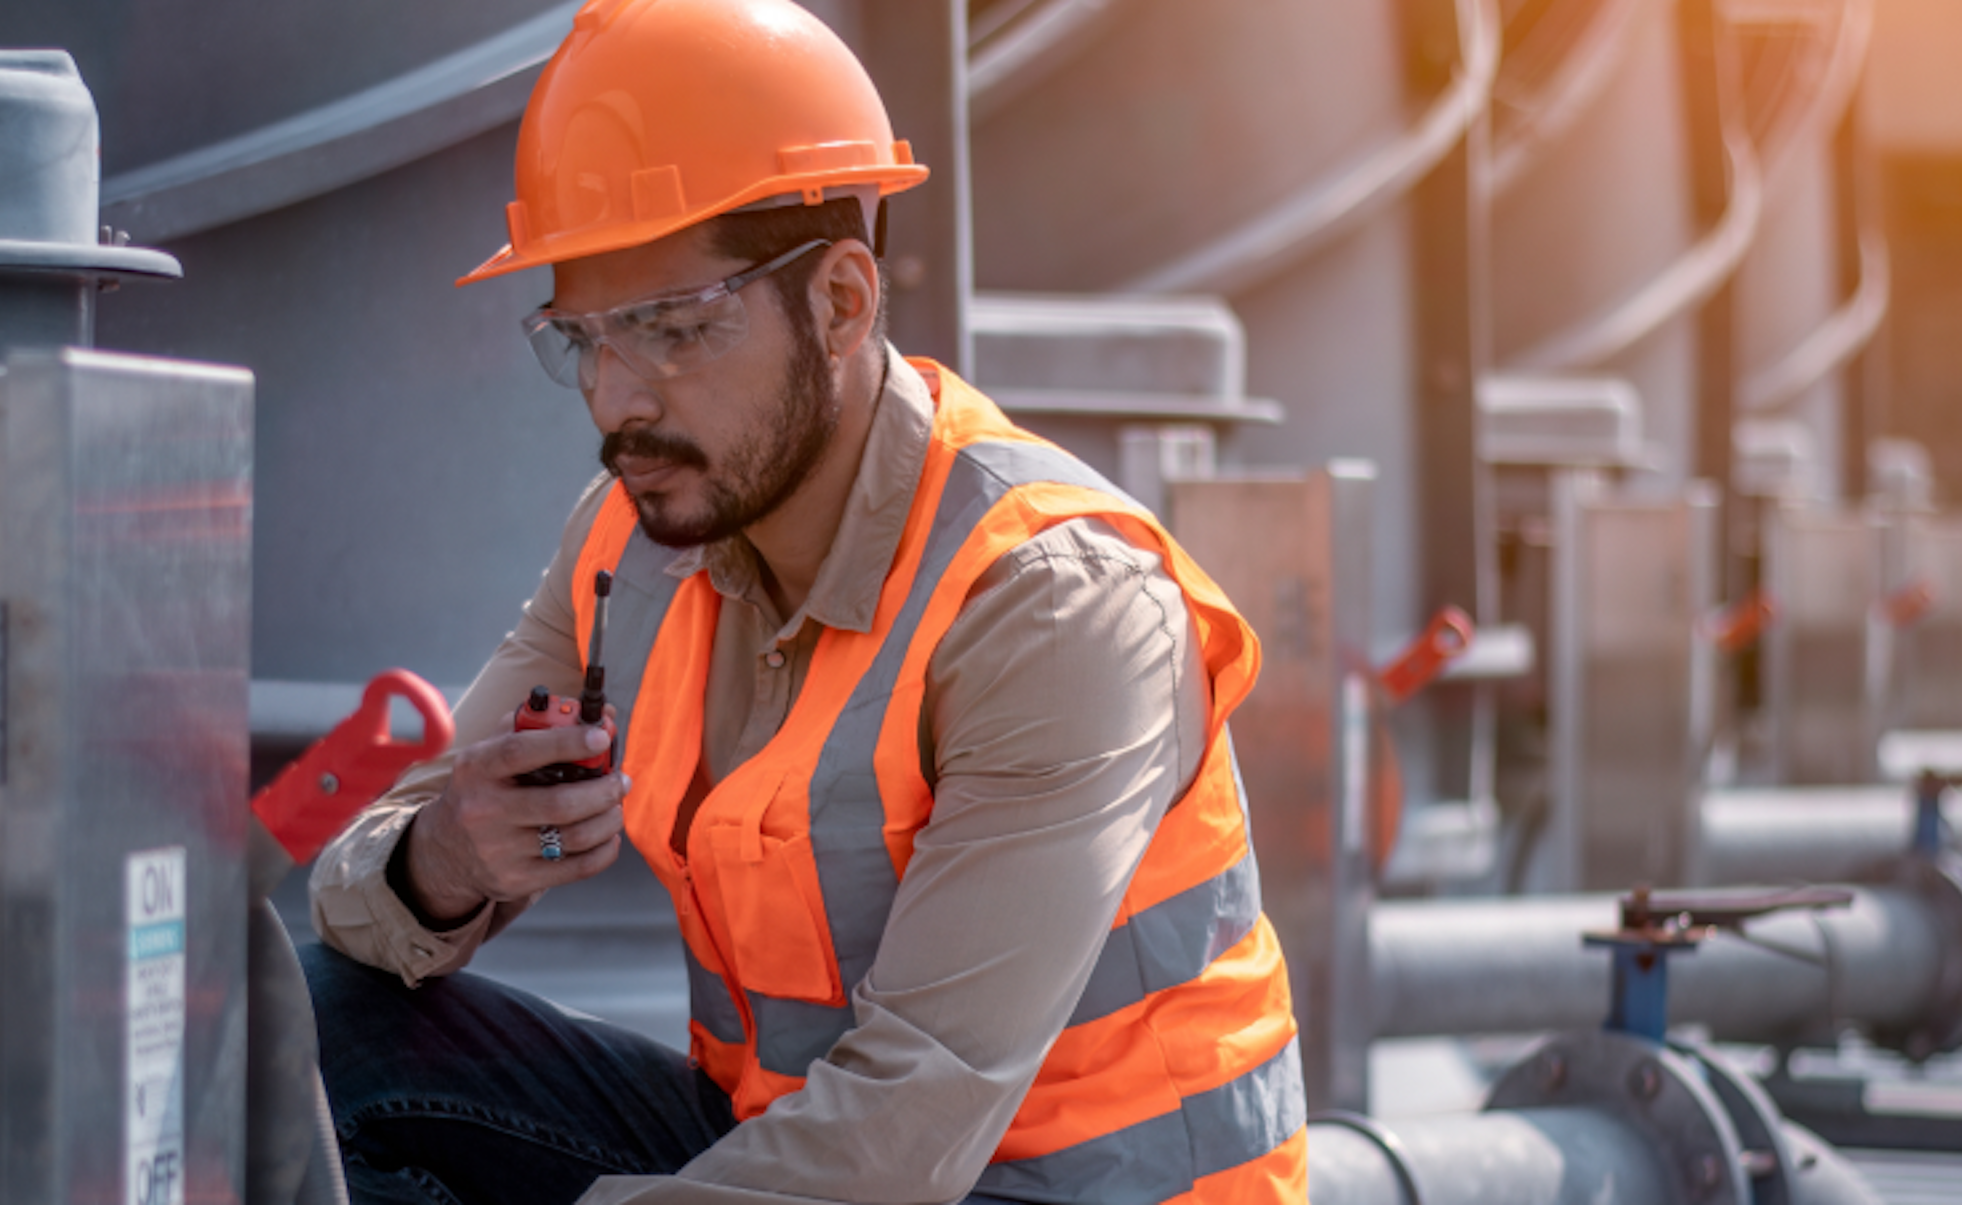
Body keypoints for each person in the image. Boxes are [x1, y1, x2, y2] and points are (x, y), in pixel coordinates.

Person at [296, 0, 1309, 1201]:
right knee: (317, 1026)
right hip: (797, 1154)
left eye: (671, 328)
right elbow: (356, 900)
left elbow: (904, 1119)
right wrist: (447, 855)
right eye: (581, 338)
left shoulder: (1049, 605)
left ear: (840, 304)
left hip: (1035, 1182)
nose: (617, 398)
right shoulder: (637, 538)